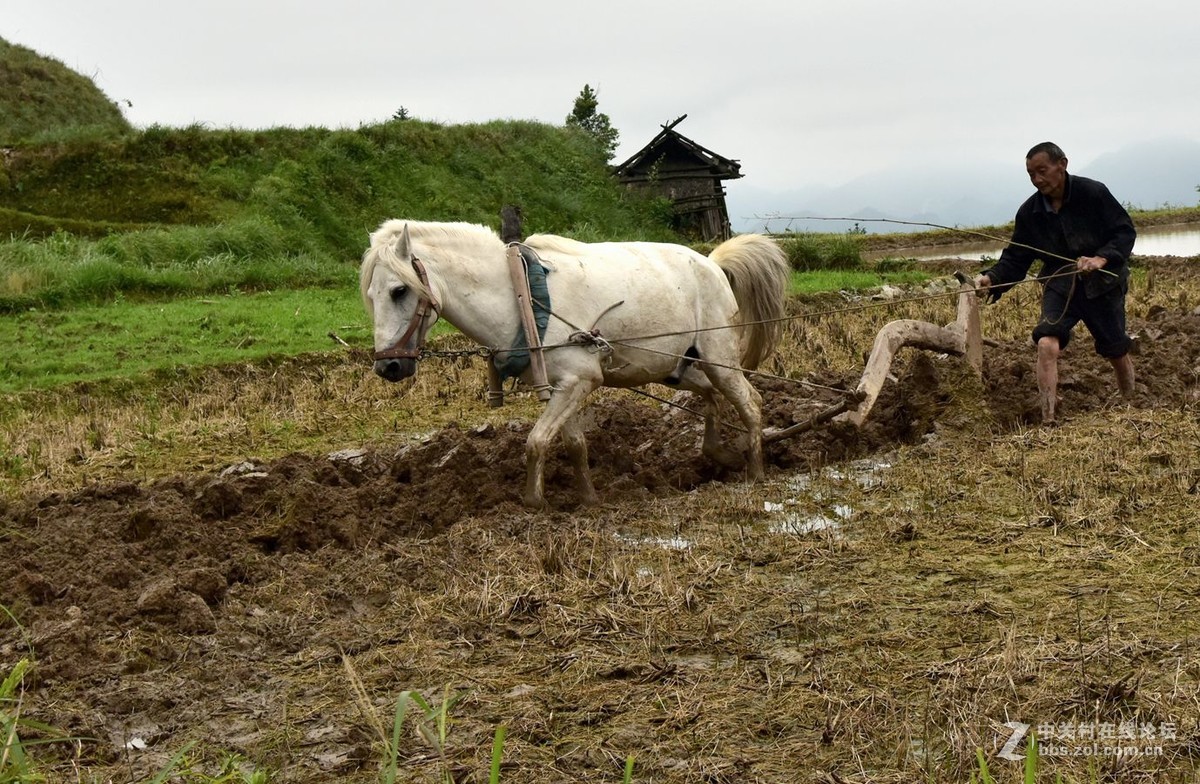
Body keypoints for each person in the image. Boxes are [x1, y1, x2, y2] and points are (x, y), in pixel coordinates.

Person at [975, 141, 1137, 426]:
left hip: (1103, 284)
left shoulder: (1093, 193)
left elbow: (1124, 232)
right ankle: (1048, 418)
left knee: (1116, 349)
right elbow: (1016, 258)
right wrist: (992, 278)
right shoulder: (1030, 213)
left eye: (1042, 171)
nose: (1038, 180)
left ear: (1062, 164)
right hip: (1059, 284)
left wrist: (1101, 258)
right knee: (1046, 343)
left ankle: (1130, 405)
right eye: (1031, 175)